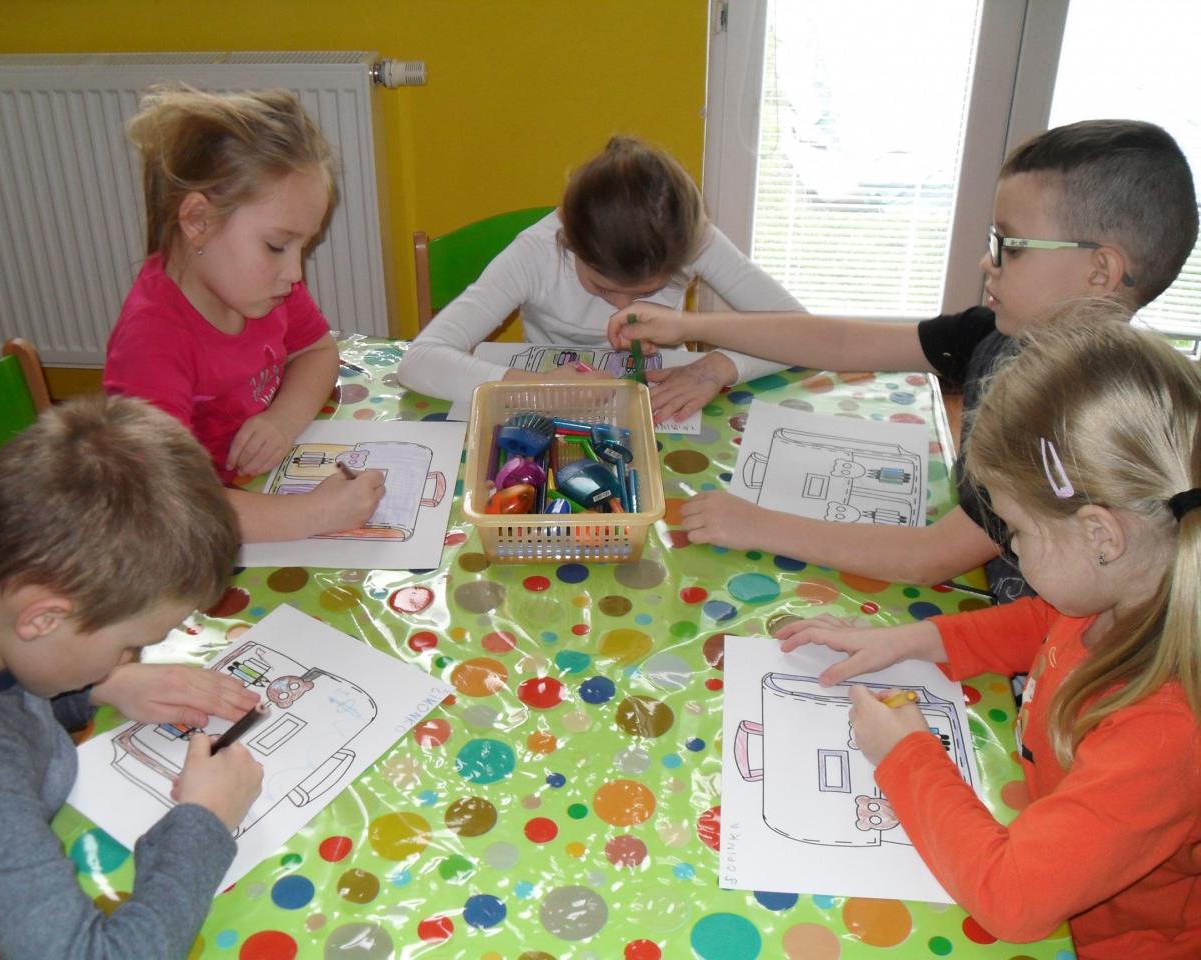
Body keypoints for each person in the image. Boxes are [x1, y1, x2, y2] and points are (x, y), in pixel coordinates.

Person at [607, 119, 1197, 601]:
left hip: (1020, 643)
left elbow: (929, 557)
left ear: (1100, 271)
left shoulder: (1077, 420)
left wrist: (756, 523)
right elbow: (844, 344)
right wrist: (690, 326)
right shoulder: (1000, 335)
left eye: (1009, 246)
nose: (987, 263)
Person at [776, 309, 1201, 958]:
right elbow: (1045, 623)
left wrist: (905, 753)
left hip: (1111, 940)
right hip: (1048, 851)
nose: (1010, 549)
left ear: (1101, 535)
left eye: (1017, 530)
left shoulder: (1166, 733)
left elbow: (1014, 900)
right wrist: (912, 642)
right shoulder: (1125, 594)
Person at [0, 394, 264, 959]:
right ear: (44, 618)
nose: (129, 658)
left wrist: (102, 686)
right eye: (128, 645)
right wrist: (205, 822)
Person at [105, 84, 385, 543]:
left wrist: (283, 419)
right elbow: (162, 501)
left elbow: (317, 351)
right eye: (276, 246)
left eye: (302, 248)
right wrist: (316, 514)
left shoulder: (265, 289)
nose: (294, 273)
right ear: (198, 221)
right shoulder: (151, 342)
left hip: (261, 490)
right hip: (192, 537)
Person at [396, 136, 804, 421]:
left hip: (665, 399)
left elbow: (800, 332)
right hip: (553, 401)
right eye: (603, 287)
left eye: (648, 291)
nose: (623, 311)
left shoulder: (696, 240)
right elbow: (419, 360)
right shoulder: (537, 252)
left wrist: (717, 367)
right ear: (569, 242)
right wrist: (540, 389)